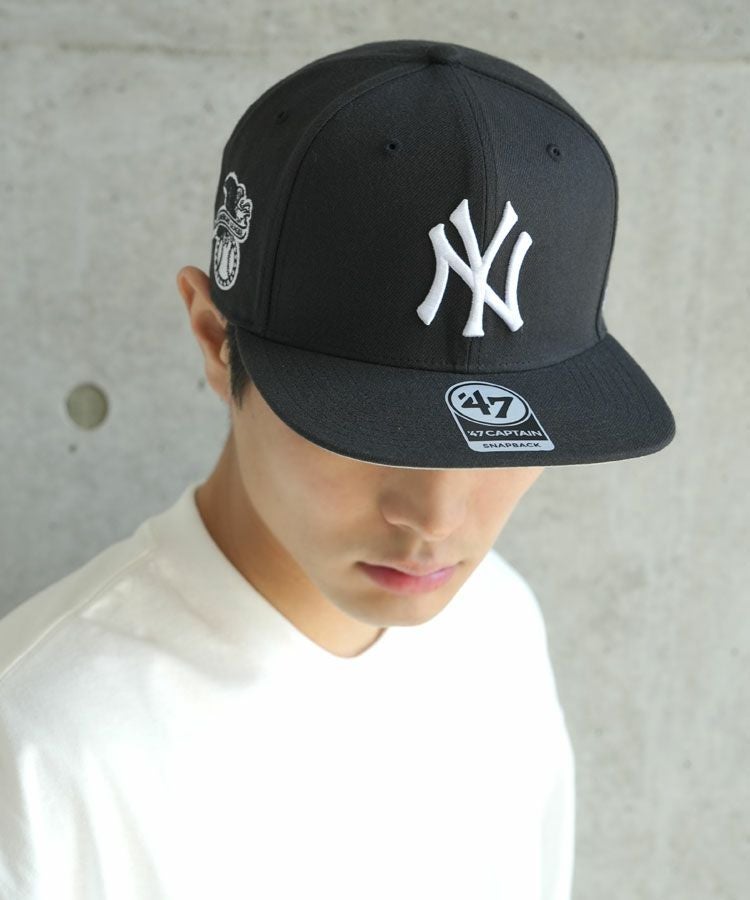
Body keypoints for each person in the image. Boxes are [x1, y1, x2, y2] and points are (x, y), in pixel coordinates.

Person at [0, 39, 675, 900]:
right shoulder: (42, 748)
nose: (436, 518)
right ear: (214, 338)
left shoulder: (499, 630)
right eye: (373, 430)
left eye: (505, 432)